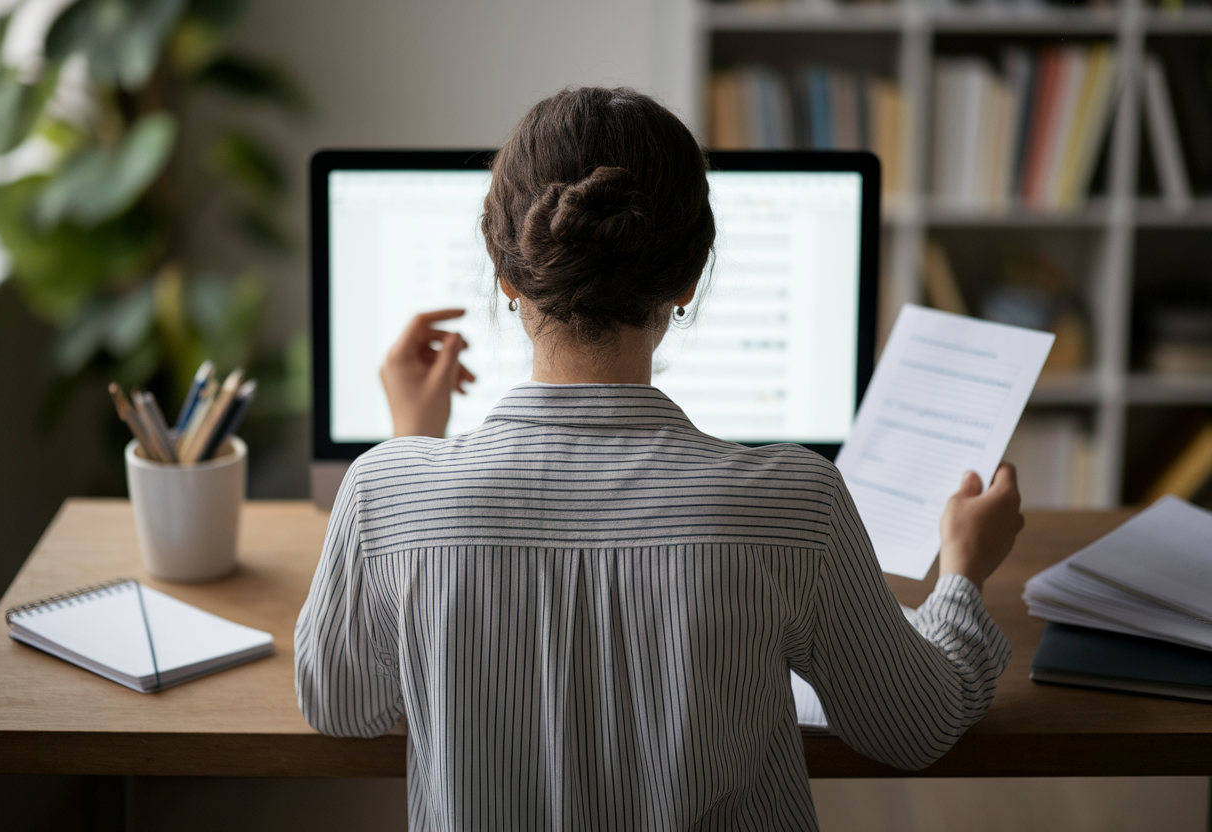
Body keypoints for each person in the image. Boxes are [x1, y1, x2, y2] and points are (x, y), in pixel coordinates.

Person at [295, 86, 1023, 832]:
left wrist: (410, 449)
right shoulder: (799, 504)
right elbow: (914, 727)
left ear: (504, 272)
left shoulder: (383, 494)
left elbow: (341, 705)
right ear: (689, 279)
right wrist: (962, 572)